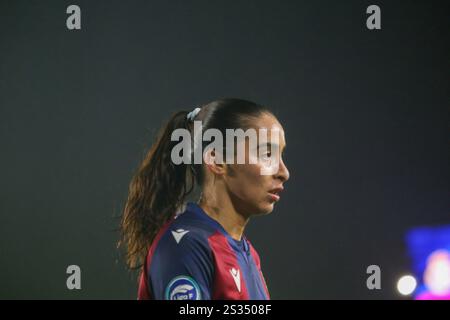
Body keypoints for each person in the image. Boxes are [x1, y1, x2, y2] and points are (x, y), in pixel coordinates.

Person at [119, 98, 289, 299]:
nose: (284, 172)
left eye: (281, 155)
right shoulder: (186, 246)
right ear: (217, 160)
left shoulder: (248, 254)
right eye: (267, 154)